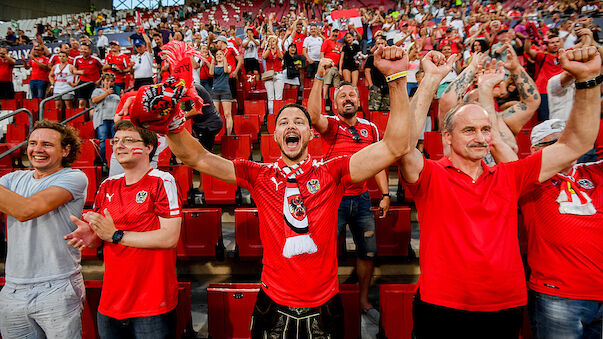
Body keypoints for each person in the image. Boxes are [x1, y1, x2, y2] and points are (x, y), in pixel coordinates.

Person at [128, 45, 412, 338]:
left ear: (311, 133)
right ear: (275, 135)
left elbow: (395, 146)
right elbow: (197, 158)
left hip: (325, 306)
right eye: (284, 122)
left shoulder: (333, 170)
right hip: (272, 304)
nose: (291, 125)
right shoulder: (258, 173)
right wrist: (174, 124)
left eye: (299, 121)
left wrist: (398, 79)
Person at [399, 46, 601, 338]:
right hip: (441, 305)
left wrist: (588, 80)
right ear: (447, 136)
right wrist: (430, 79)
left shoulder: (511, 174)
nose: (481, 138)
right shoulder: (430, 174)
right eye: (469, 130)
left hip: (504, 306)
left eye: (485, 129)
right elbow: (403, 147)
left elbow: (575, 144)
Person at [67, 120, 182, 339]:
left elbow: (169, 238)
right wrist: (90, 236)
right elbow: (99, 238)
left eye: (129, 140)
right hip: (111, 301)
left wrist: (116, 235)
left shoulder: (162, 181)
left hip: (152, 302)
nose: (119, 145)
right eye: (116, 140)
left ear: (149, 147)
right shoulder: (107, 185)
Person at [309, 58, 392, 321]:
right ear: (335, 104)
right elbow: (312, 115)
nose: (347, 98)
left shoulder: (371, 128)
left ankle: (364, 300)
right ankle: (327, 297)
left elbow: (379, 163)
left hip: (363, 200)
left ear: (359, 100)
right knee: (327, 252)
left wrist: (386, 194)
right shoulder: (331, 125)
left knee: (367, 251)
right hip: (333, 201)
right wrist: (319, 78)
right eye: (342, 95)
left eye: (351, 94)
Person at [0, 120, 87, 338]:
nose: (37, 149)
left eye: (47, 144)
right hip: (13, 287)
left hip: (57, 285)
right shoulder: (12, 178)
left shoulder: (74, 177)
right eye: (32, 143)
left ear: (65, 150)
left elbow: (26, 210)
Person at [516, 119, 603, 339]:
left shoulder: (594, 173)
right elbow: (500, 142)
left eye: (570, 141)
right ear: (535, 150)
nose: (567, 148)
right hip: (558, 295)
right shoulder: (528, 178)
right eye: (557, 142)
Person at [524, 35, 564, 121]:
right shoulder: (542, 56)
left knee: (561, 118)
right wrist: (529, 37)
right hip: (544, 91)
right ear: (547, 45)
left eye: (557, 42)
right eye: (552, 43)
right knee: (545, 120)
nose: (555, 44)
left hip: (560, 91)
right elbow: (527, 51)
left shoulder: (564, 56)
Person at [91, 73, 120, 164]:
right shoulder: (97, 91)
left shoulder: (117, 92)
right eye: (107, 81)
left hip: (114, 119)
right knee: (103, 139)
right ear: (103, 81)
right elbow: (94, 100)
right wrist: (106, 93)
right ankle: (103, 161)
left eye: (111, 81)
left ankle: (116, 160)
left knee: (116, 140)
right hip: (102, 119)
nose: (109, 83)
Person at [209, 50, 233, 135]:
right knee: (216, 114)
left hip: (225, 90)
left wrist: (225, 58)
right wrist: (212, 60)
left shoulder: (228, 66)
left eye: (221, 54)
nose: (219, 56)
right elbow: (211, 72)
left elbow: (226, 71)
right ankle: (217, 134)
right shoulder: (214, 67)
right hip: (215, 91)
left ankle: (229, 134)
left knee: (227, 114)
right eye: (217, 54)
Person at [73, 43, 103, 108]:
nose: (83, 51)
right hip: (82, 83)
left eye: (85, 49)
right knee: (81, 102)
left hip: (93, 83)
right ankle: (81, 118)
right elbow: (74, 70)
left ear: (89, 50)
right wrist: (79, 72)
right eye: (82, 49)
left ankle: (91, 118)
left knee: (92, 103)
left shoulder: (95, 59)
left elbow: (103, 69)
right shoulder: (77, 59)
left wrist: (99, 80)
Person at [320, 29, 342, 113]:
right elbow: (322, 53)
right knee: (326, 84)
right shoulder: (327, 41)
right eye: (333, 32)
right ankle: (325, 103)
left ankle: (335, 106)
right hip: (328, 67)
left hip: (335, 68)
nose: (335, 34)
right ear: (330, 33)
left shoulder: (338, 44)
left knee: (336, 87)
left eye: (336, 33)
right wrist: (324, 65)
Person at [263, 35, 284, 115]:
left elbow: (281, 57)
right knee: (270, 97)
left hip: (278, 74)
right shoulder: (267, 51)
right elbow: (264, 57)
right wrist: (269, 47)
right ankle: (271, 114)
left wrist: (277, 47)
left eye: (273, 41)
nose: (272, 43)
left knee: (278, 97)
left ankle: (278, 113)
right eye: (270, 41)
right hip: (269, 75)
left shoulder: (279, 51)